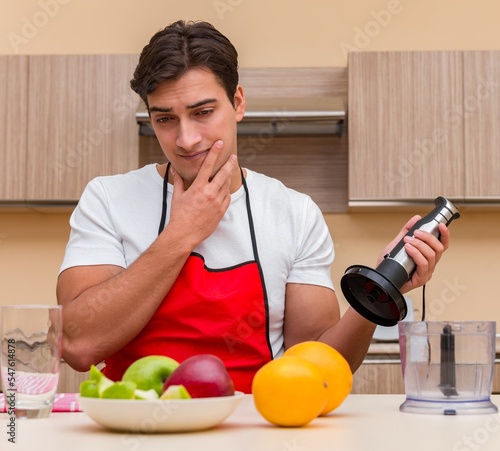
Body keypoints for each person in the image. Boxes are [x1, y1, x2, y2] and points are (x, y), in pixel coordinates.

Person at [56, 20, 450, 393]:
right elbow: (78, 345)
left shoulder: (294, 213)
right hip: (132, 428)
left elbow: (315, 366)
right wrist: (183, 232)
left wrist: (377, 292)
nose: (186, 138)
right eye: (165, 119)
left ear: (238, 102)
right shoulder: (107, 199)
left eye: (203, 112)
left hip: (255, 431)